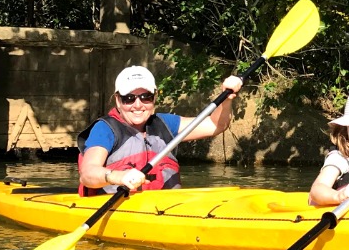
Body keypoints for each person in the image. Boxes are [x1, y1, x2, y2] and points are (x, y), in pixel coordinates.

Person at [77, 65, 243, 196]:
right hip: (121, 210)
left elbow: (215, 125)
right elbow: (88, 173)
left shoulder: (164, 123)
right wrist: (119, 177)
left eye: (145, 97)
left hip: (165, 208)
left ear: (155, 97)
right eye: (129, 98)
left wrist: (226, 98)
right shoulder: (105, 130)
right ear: (118, 101)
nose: (137, 105)